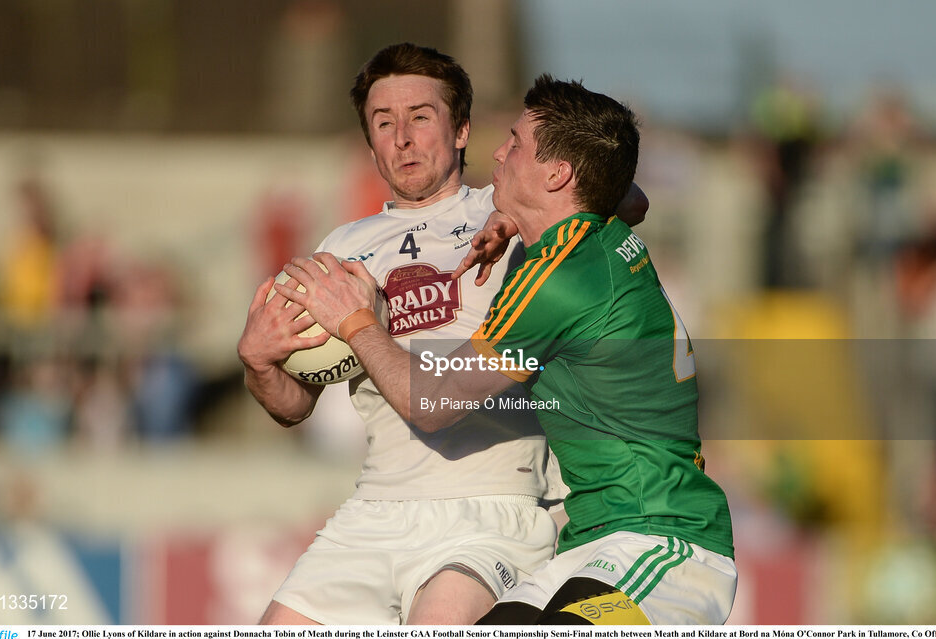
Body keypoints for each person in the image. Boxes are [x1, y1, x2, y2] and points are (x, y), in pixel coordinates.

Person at [280, 75, 736, 625]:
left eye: (516, 143)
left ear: (558, 173)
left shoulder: (556, 283)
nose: (498, 151)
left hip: (661, 539)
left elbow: (432, 404)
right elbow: (627, 194)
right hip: (591, 545)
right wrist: (524, 212)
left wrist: (353, 319)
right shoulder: (602, 230)